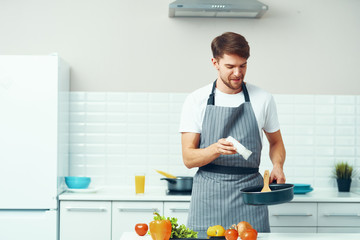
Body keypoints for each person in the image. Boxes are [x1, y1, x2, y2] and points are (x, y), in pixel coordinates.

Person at [179, 32, 286, 234]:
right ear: (215, 63)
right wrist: (215, 149)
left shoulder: (263, 98)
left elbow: (276, 142)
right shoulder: (196, 100)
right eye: (230, 66)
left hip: (250, 195)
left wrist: (278, 166)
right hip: (208, 197)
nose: (237, 73)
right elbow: (188, 158)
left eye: (243, 65)